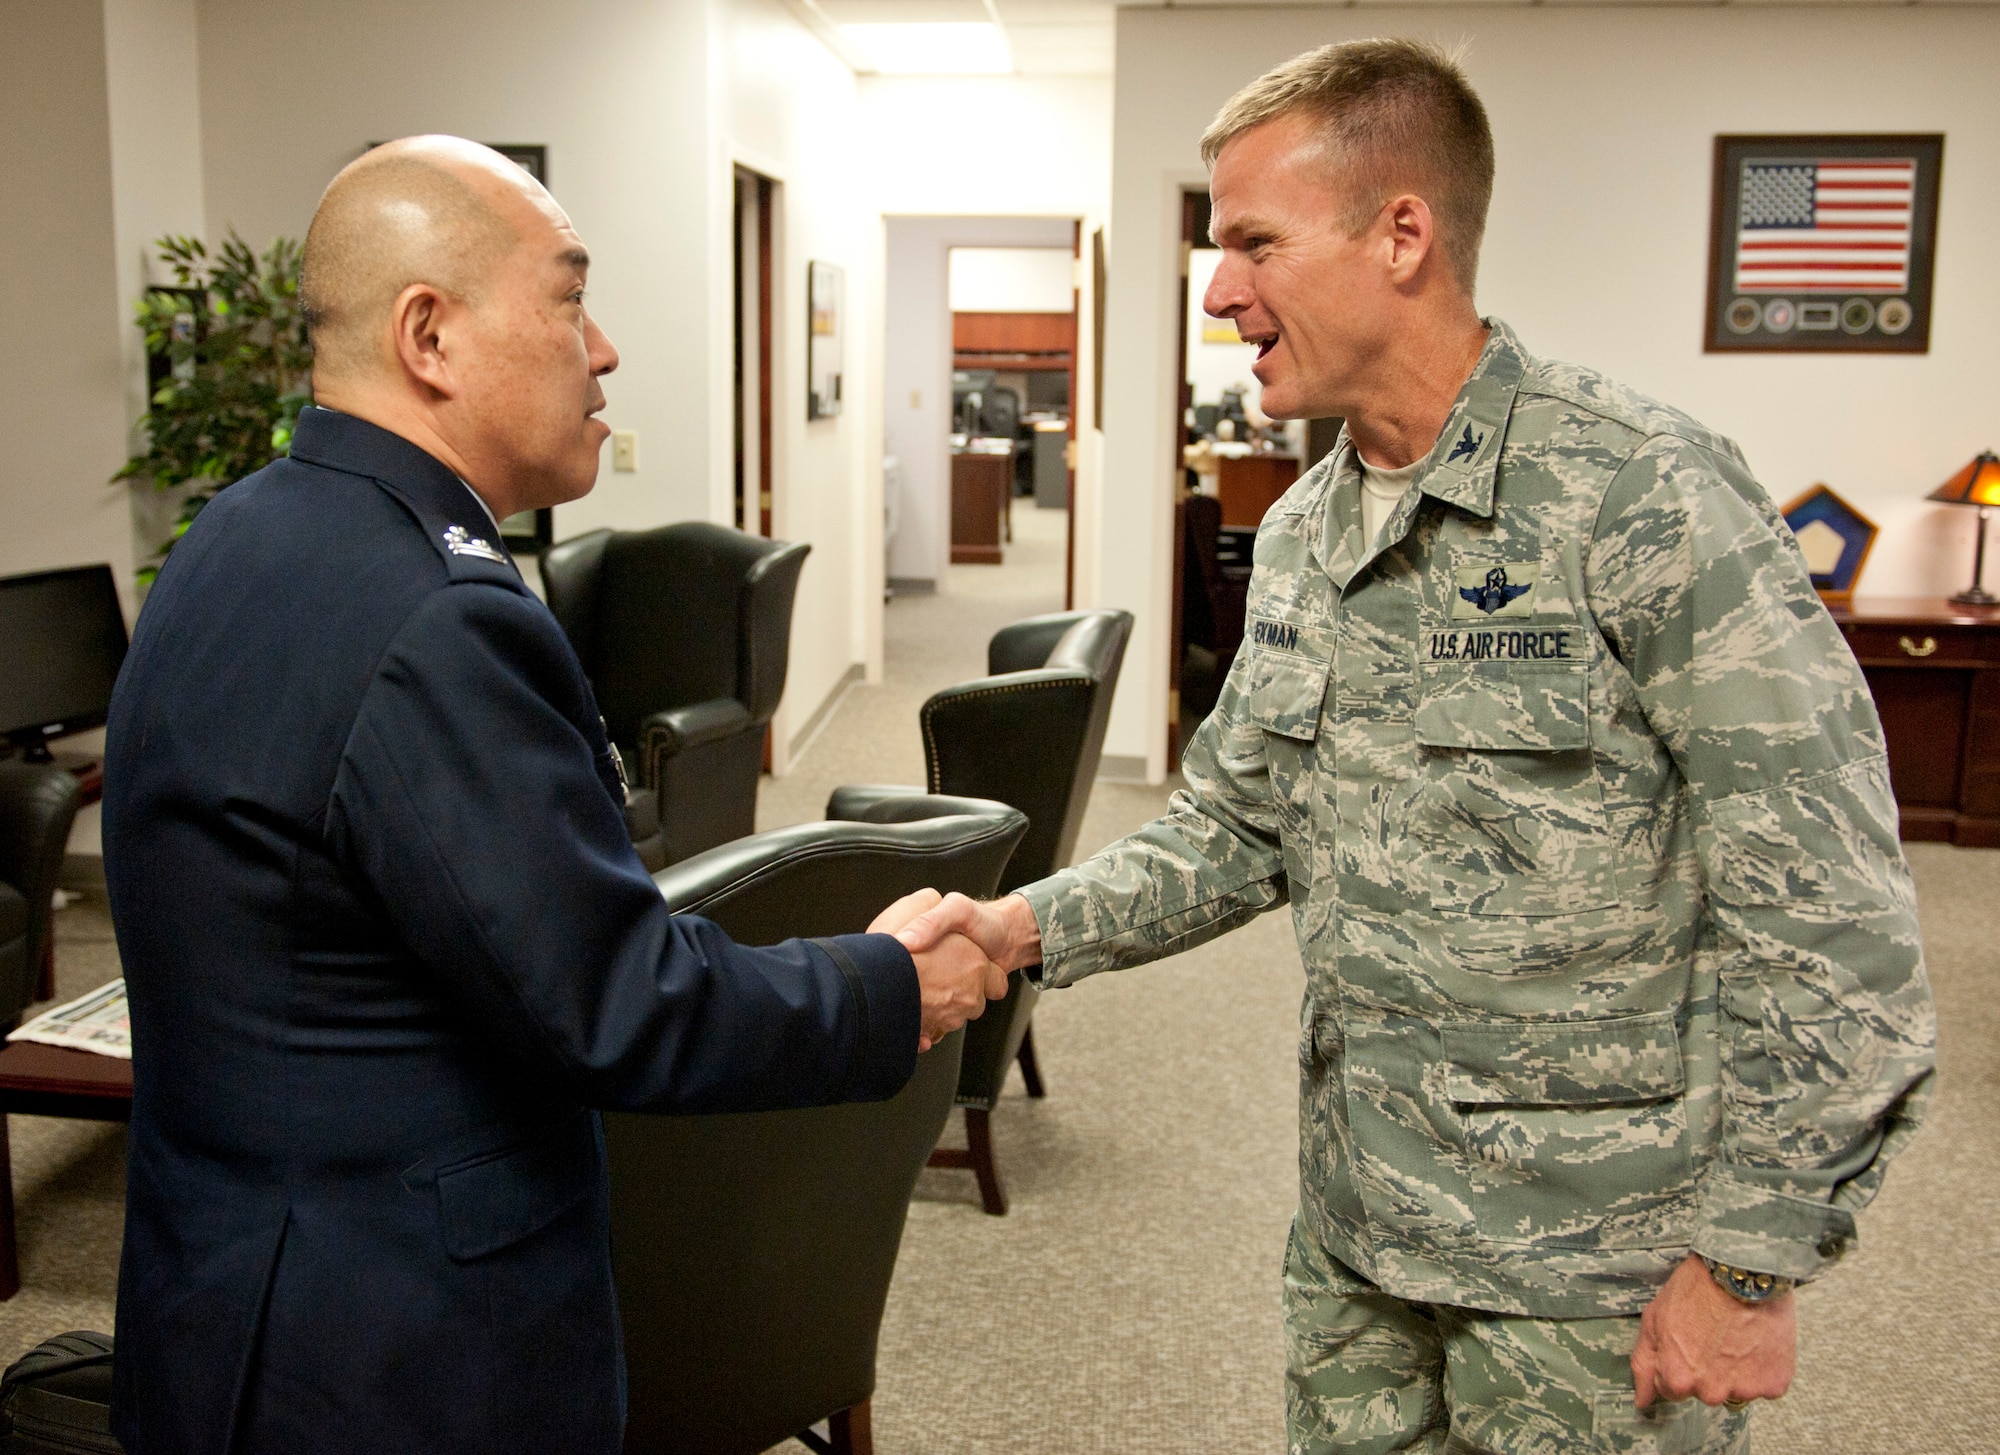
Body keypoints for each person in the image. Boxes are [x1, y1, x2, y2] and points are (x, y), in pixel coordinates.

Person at [897, 40, 1937, 1454]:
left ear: (1403, 235)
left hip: (1589, 1274)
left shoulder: (1639, 493)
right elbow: (1237, 829)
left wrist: (1752, 1260)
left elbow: (1831, 910)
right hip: (1359, 1236)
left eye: (1255, 242)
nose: (1218, 290)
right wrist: (1013, 930)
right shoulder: (1312, 534)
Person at [101, 136, 1006, 1455]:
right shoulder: (439, 616)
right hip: (390, 1363)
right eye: (571, 298)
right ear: (431, 336)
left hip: (230, 1311)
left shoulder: (235, 536)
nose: (608, 349)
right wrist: (884, 986)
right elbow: (617, 1005)